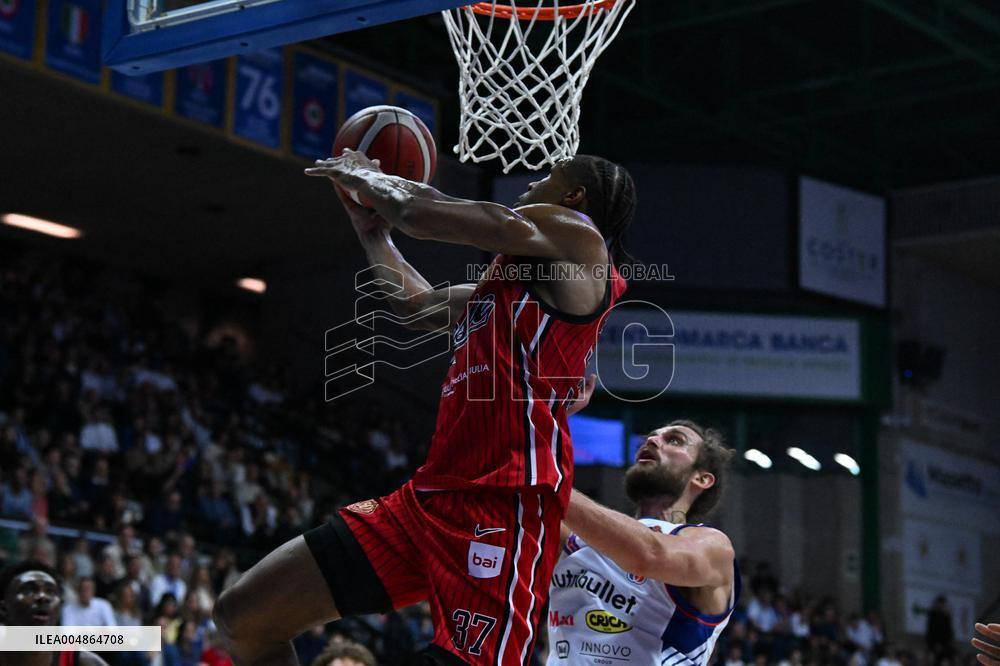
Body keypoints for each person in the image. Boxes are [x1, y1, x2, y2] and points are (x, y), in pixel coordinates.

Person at [214, 151, 635, 666]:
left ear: (573, 198)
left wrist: (370, 176)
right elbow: (414, 306)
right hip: (427, 499)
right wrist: (373, 233)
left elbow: (423, 214)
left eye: (549, 178)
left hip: (503, 503)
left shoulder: (580, 237)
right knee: (245, 616)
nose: (530, 184)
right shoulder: (500, 290)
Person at [547, 385, 740, 665]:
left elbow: (649, 555)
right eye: (651, 437)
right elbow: (515, 478)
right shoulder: (578, 535)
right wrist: (546, 421)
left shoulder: (712, 546)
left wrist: (545, 476)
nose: (652, 440)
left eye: (674, 440)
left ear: (702, 479)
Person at [0, 560, 110, 666]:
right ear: (3, 608)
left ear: (59, 608)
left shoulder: (84, 661)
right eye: (29, 590)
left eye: (50, 591)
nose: (43, 597)